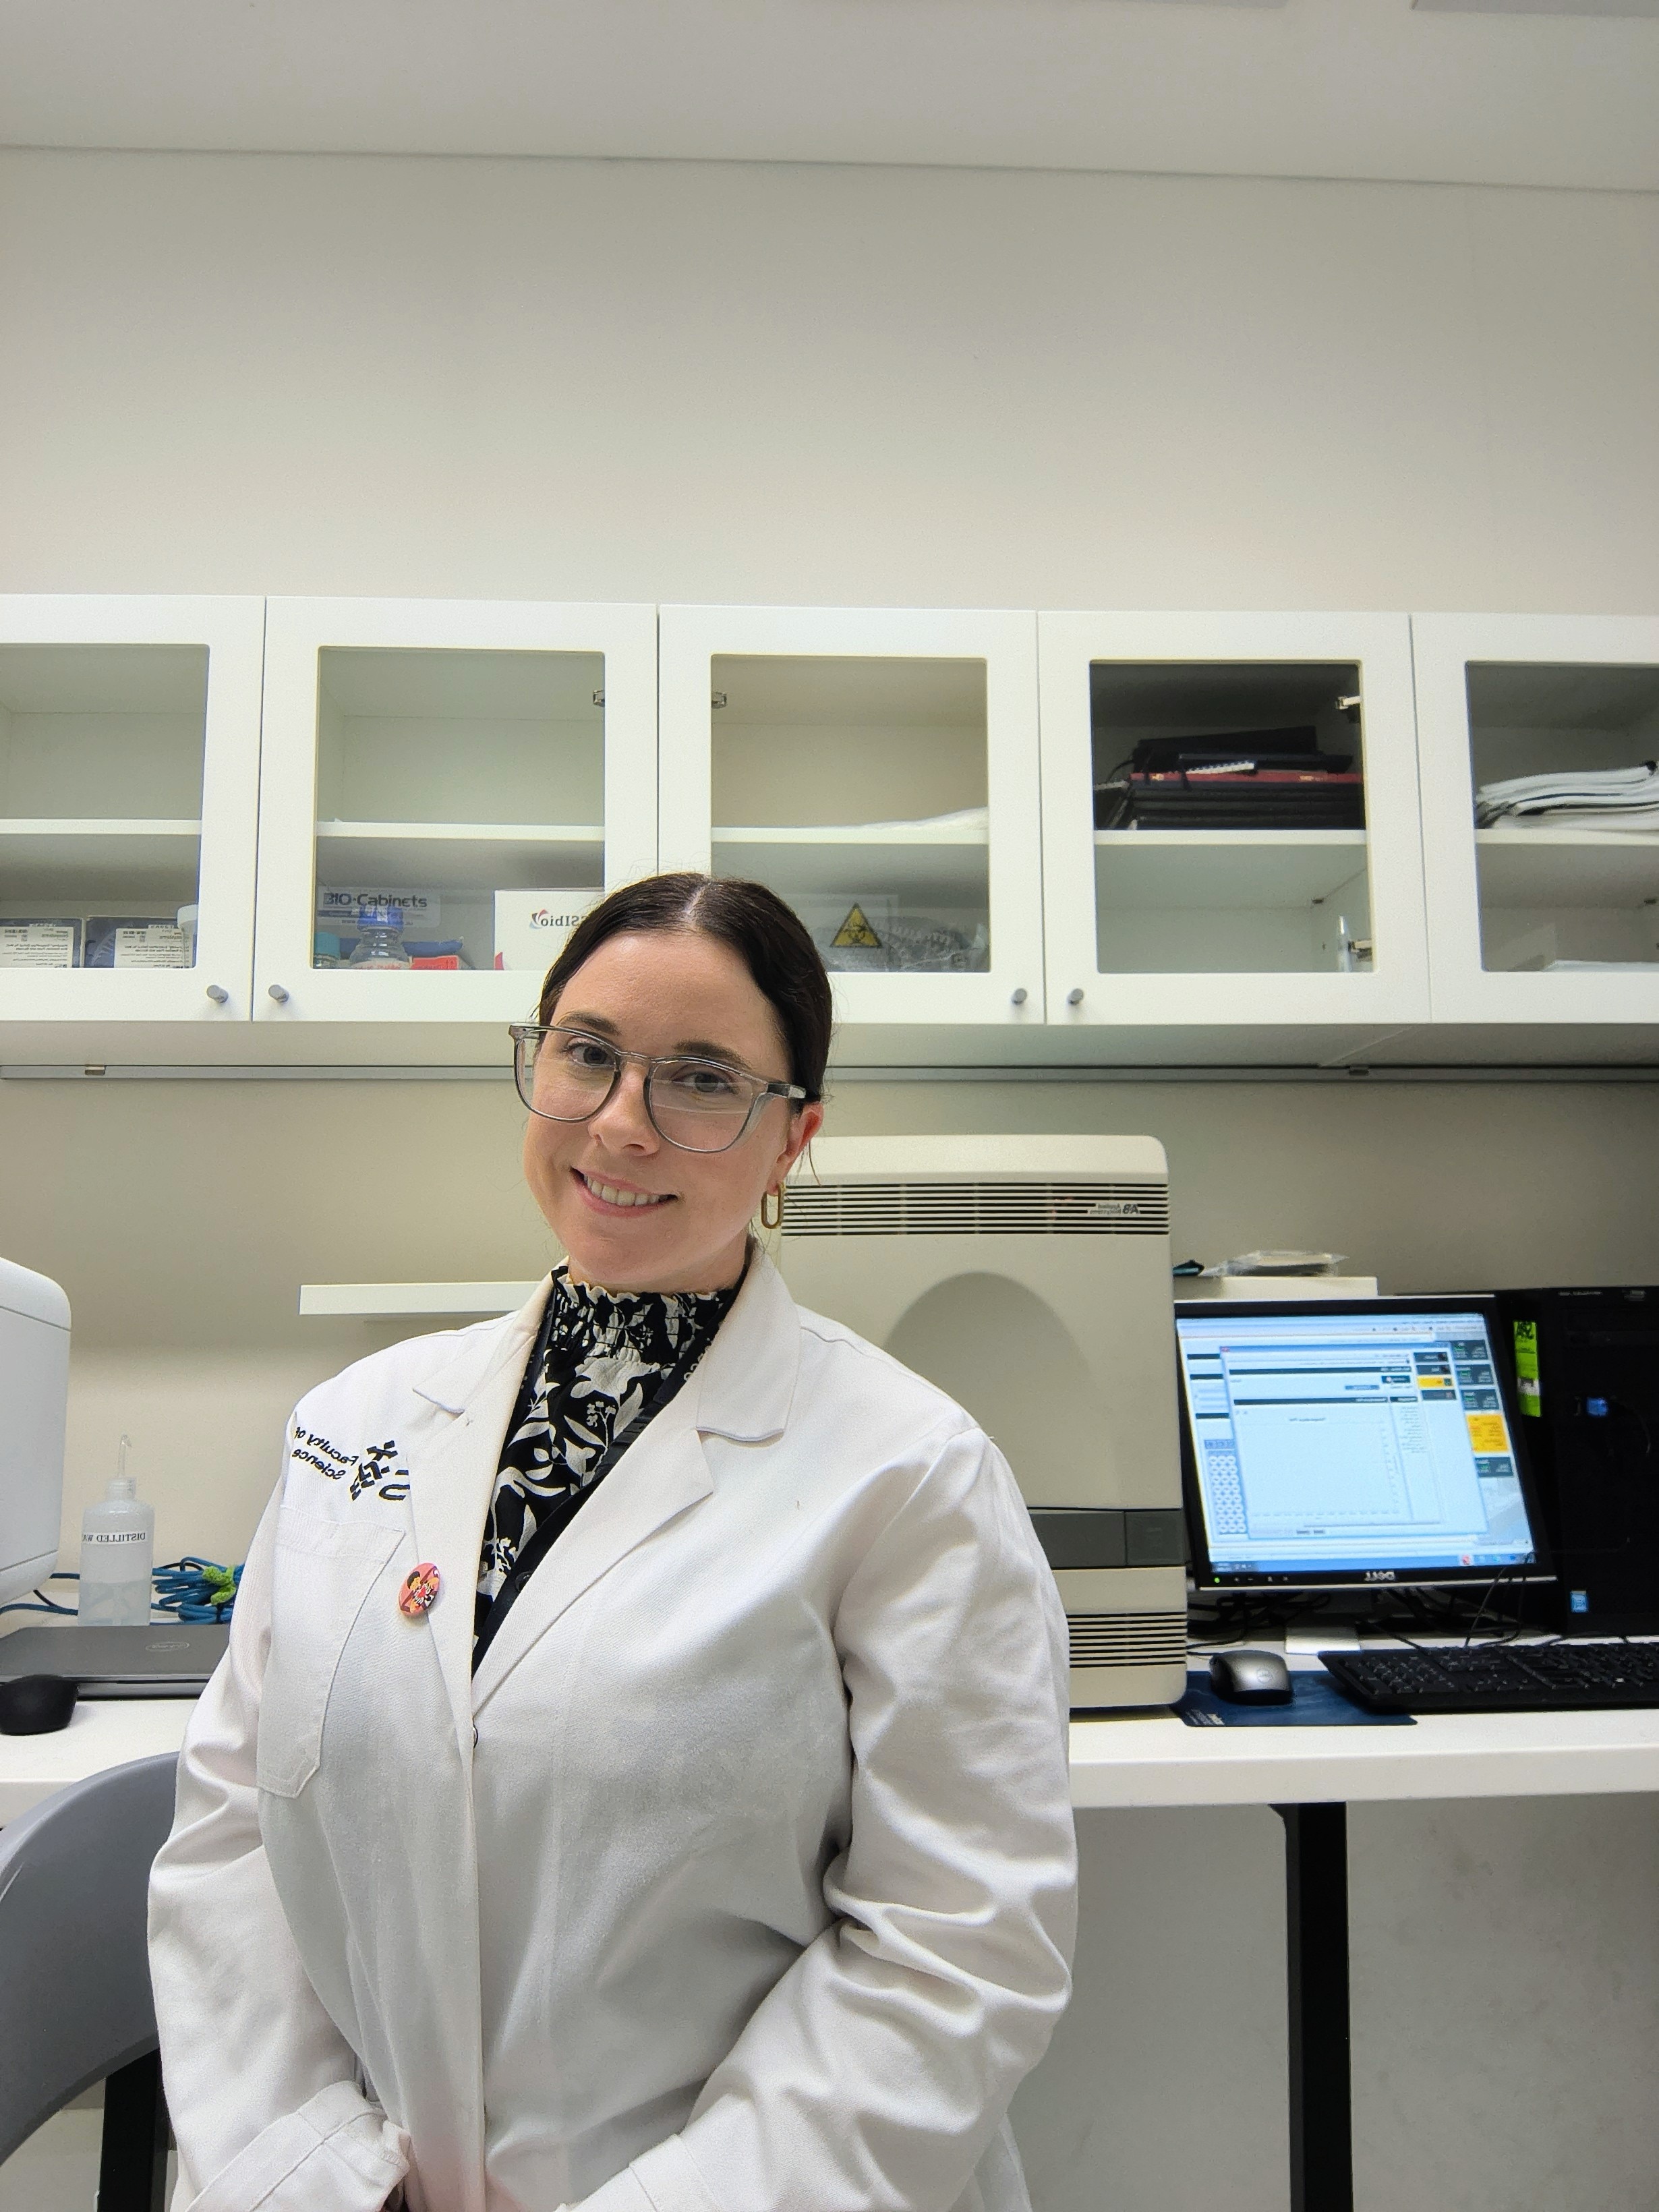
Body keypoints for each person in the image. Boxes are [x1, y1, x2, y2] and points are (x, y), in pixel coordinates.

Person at [148, 871, 1078, 2212]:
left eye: (702, 1079)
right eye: (586, 1053)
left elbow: (956, 1949)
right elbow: (234, 1839)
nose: (621, 1122)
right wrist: (315, 2172)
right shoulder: (353, 1424)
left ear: (794, 1135)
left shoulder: (911, 1474)